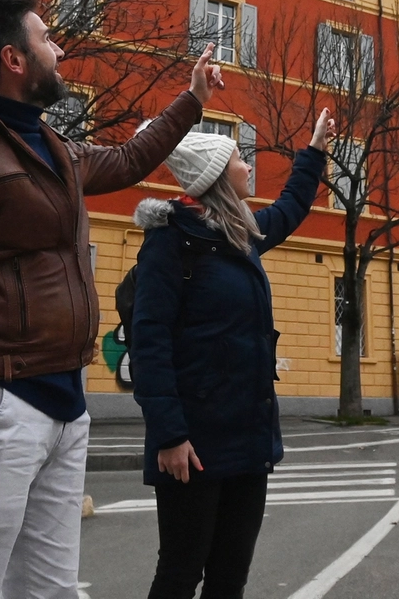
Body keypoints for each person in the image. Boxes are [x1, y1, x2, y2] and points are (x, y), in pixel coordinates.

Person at [0, 0, 226, 599]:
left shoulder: (53, 147)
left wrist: (192, 100)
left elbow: (125, 159)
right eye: (46, 39)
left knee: (49, 593)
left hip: (64, 405)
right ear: (14, 59)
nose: (58, 48)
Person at [130, 108, 334, 599]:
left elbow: (289, 208)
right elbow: (149, 342)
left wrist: (316, 153)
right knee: (180, 574)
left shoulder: (241, 237)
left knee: (229, 577)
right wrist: (170, 434)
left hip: (248, 438)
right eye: (240, 158)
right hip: (193, 448)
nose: (248, 165)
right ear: (219, 176)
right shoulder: (170, 244)